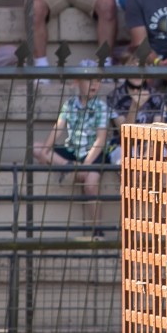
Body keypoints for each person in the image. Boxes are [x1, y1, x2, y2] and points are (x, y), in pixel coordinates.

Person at [35, 63, 110, 235]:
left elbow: (100, 140)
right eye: (89, 80)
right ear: (77, 82)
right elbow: (58, 128)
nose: (94, 84)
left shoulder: (101, 106)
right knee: (36, 148)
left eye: (97, 81)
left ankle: (97, 230)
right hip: (72, 151)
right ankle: (70, 166)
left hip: (92, 153)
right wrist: (45, 151)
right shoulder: (70, 105)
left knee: (91, 183)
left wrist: (86, 164)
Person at [106, 57, 167, 163]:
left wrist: (147, 155)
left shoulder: (157, 96)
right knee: (128, 164)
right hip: (123, 146)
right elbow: (125, 136)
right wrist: (135, 106)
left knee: (163, 164)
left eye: (140, 67)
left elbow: (158, 133)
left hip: (151, 144)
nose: (137, 72)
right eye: (132, 67)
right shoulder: (114, 96)